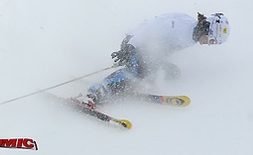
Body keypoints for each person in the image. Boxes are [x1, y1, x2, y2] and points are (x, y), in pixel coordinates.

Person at [76, 12, 230, 108]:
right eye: (212, 41)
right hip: (136, 42)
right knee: (137, 71)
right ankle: (95, 94)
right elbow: (150, 27)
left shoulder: (192, 35)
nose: (209, 44)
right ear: (208, 30)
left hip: (149, 51)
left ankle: (130, 83)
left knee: (173, 72)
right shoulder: (181, 27)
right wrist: (129, 46)